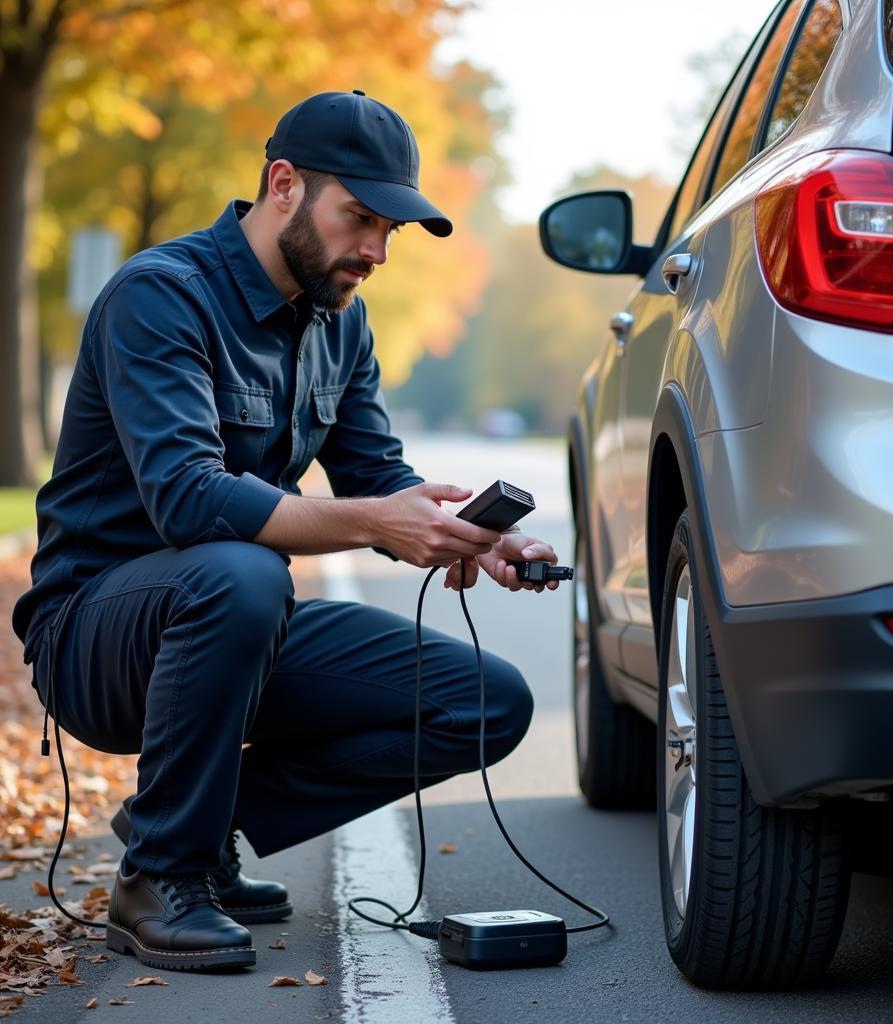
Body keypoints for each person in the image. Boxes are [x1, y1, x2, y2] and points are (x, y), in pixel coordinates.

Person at [11, 90, 560, 972]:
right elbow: (190, 502)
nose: (376, 251)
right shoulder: (159, 298)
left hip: (238, 625)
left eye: (393, 231)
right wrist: (375, 522)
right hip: (96, 638)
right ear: (283, 186)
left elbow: (377, 478)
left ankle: (192, 820)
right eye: (361, 219)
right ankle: (161, 875)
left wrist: (474, 537)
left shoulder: (341, 324)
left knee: (487, 703)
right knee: (244, 572)